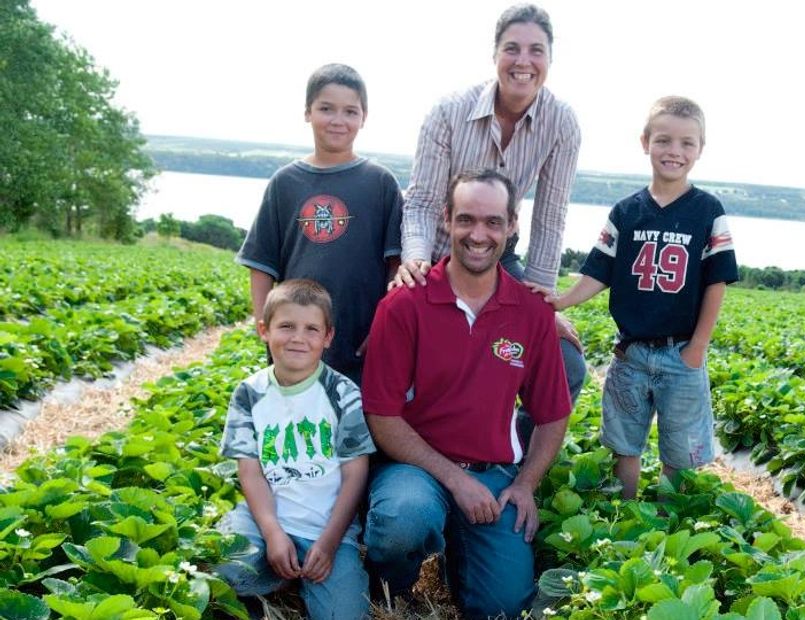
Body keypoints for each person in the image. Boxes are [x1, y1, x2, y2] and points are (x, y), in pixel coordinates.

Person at [361, 169, 571, 619]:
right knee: (403, 521)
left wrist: (526, 483)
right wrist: (456, 482)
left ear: (512, 225)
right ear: (446, 220)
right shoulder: (404, 304)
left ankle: (462, 551)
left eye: (493, 222)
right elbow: (382, 415)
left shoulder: (532, 313)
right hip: (414, 469)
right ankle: (389, 585)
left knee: (504, 608)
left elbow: (552, 414)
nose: (479, 234)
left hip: (493, 474)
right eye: (467, 220)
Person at [534, 96, 739, 499]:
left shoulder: (707, 210)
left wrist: (698, 347)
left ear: (699, 150)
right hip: (630, 353)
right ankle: (628, 511)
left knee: (678, 452)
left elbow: (717, 282)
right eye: (664, 140)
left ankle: (668, 517)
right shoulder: (627, 211)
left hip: (680, 353)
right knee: (623, 443)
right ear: (645, 142)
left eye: (686, 143)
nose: (674, 152)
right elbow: (599, 271)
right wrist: (561, 301)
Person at [392, 3, 587, 405]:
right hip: (433, 254)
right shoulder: (449, 111)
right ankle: (399, 456)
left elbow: (551, 219)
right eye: (512, 48)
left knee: (566, 364)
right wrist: (414, 265)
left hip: (494, 259)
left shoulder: (562, 122)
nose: (524, 61)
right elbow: (423, 202)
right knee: (399, 344)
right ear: (495, 54)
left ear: (550, 59)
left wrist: (542, 307)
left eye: (536, 51)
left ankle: (509, 455)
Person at [216, 279, 373, 620]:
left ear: (328, 337)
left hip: (327, 528)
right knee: (225, 572)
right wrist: (273, 532)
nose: (298, 338)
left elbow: (355, 472)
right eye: (286, 326)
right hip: (263, 521)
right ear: (264, 330)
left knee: (344, 614)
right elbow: (250, 471)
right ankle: (274, 571)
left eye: (311, 329)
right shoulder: (249, 393)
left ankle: (295, 576)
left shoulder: (342, 393)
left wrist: (329, 544)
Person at [237, 63, 402, 385]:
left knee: (355, 426)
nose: (338, 121)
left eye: (350, 111)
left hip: (360, 342)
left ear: (363, 117)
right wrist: (265, 323)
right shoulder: (285, 183)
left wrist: (382, 328)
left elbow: (396, 265)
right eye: (326, 109)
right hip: (298, 342)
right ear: (307, 112)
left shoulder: (380, 183)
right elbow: (262, 265)